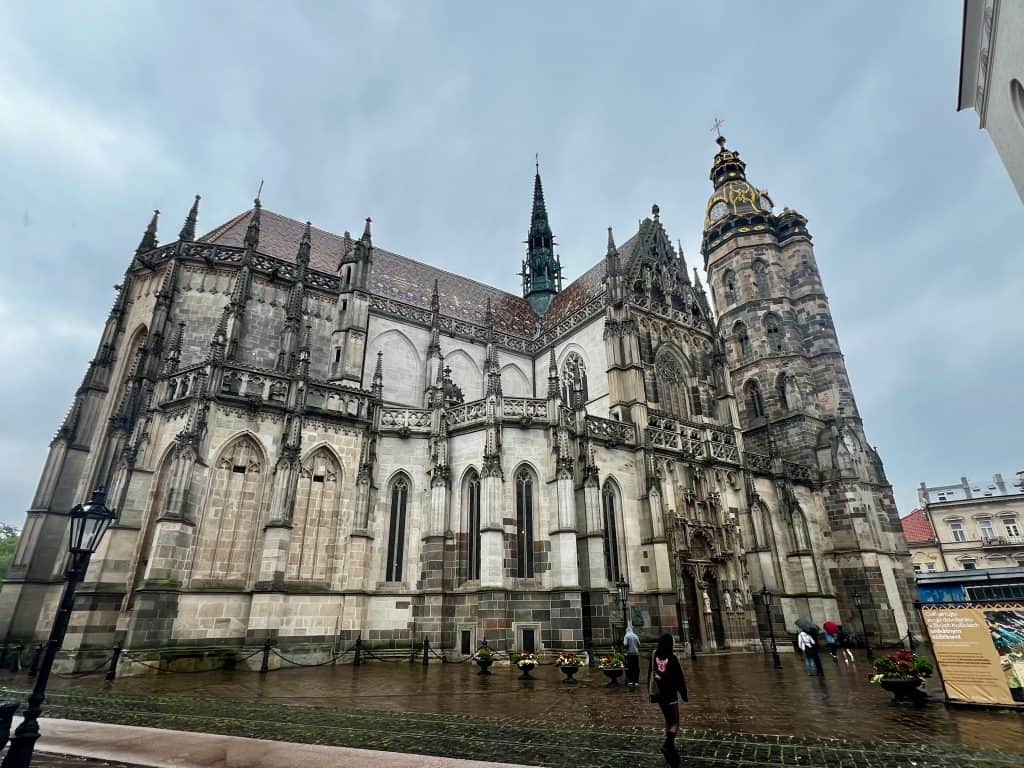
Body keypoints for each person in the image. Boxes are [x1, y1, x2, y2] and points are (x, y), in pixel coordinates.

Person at [648, 633, 688, 768]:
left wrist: (651, 693)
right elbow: (680, 679)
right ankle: (668, 745)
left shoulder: (655, 655)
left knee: (668, 721)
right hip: (670, 695)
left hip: (659, 695)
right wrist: (684, 695)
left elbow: (651, 674)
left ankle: (671, 751)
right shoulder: (672, 658)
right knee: (675, 723)